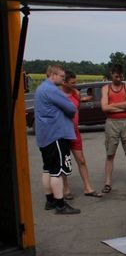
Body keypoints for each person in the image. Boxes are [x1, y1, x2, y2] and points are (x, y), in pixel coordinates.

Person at [33, 65, 80, 214]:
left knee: (47, 168)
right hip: (56, 135)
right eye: (61, 76)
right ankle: (60, 204)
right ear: (52, 74)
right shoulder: (52, 90)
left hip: (44, 135)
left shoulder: (41, 88)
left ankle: (50, 200)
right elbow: (71, 108)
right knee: (57, 171)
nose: (63, 78)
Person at [60, 71, 103, 199]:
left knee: (81, 160)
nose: (75, 85)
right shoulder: (58, 95)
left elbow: (77, 109)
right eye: (72, 83)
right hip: (62, 133)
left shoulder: (76, 93)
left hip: (74, 132)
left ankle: (88, 188)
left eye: (75, 82)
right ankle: (66, 189)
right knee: (64, 162)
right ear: (64, 82)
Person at [101, 64, 126, 193]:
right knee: (110, 154)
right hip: (111, 122)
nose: (119, 78)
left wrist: (113, 106)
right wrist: (122, 106)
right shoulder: (106, 88)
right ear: (111, 74)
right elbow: (104, 108)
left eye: (121, 76)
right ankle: (107, 183)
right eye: (116, 76)